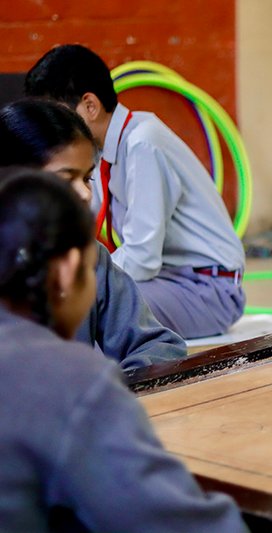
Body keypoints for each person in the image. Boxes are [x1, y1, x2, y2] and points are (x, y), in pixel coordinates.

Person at [0, 167, 248, 532]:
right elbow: (180, 524)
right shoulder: (70, 380)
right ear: (68, 272)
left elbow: (158, 344)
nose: (84, 191)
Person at [25, 44, 246, 339]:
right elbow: (82, 226)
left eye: (58, 115)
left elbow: (142, 259)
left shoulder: (143, 143)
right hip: (169, 280)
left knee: (93, 304)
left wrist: (74, 278)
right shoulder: (101, 152)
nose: (55, 130)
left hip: (207, 290)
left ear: (90, 106)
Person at [0, 98, 186, 370]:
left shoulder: (90, 256)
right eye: (65, 179)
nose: (86, 194)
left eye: (87, 178)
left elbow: (158, 346)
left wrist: (104, 392)